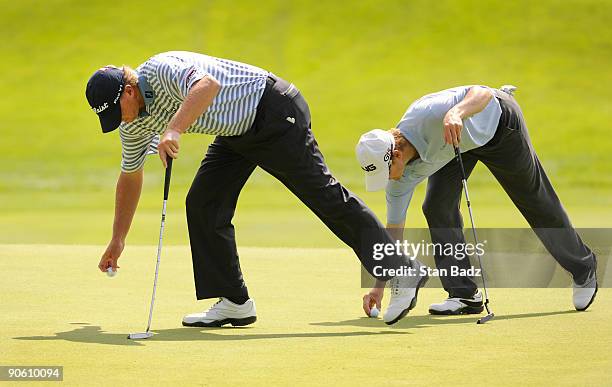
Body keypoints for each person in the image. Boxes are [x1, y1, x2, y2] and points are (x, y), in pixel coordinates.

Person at [85, 51, 428, 327]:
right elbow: (130, 175)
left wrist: (174, 129)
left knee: (325, 197)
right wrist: (118, 238)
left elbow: (206, 85)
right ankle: (234, 301)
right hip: (236, 132)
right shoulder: (132, 124)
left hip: (273, 110)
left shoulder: (161, 69)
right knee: (203, 203)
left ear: (128, 91)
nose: (121, 121)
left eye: (118, 112)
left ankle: (402, 269)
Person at [356, 85, 598, 316]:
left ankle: (583, 268)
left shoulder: (427, 114)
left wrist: (456, 113)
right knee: (437, 206)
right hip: (457, 145)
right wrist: (379, 287)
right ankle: (463, 294)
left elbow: (482, 93)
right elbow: (394, 232)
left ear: (396, 155)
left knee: (534, 200)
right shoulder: (398, 181)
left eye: (383, 172)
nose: (384, 180)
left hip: (498, 126)